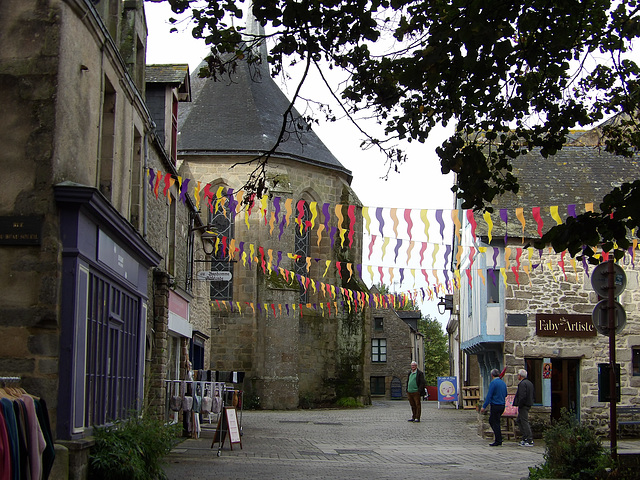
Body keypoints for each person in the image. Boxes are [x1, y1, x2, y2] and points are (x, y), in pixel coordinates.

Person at [480, 368, 508, 446]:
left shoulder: (493, 383)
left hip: (495, 405)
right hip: (502, 405)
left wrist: (484, 406)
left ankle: (498, 439)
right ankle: (499, 438)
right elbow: (506, 394)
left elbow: (489, 395)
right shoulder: (503, 383)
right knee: (497, 422)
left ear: (492, 375)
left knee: (492, 421)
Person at [513, 368, 535, 447]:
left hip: (524, 405)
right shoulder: (530, 383)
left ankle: (529, 439)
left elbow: (522, 395)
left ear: (520, 376)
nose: (517, 376)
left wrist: (519, 404)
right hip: (528, 404)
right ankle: (525, 437)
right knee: (519, 420)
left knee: (524, 421)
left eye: (518, 375)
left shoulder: (522, 384)